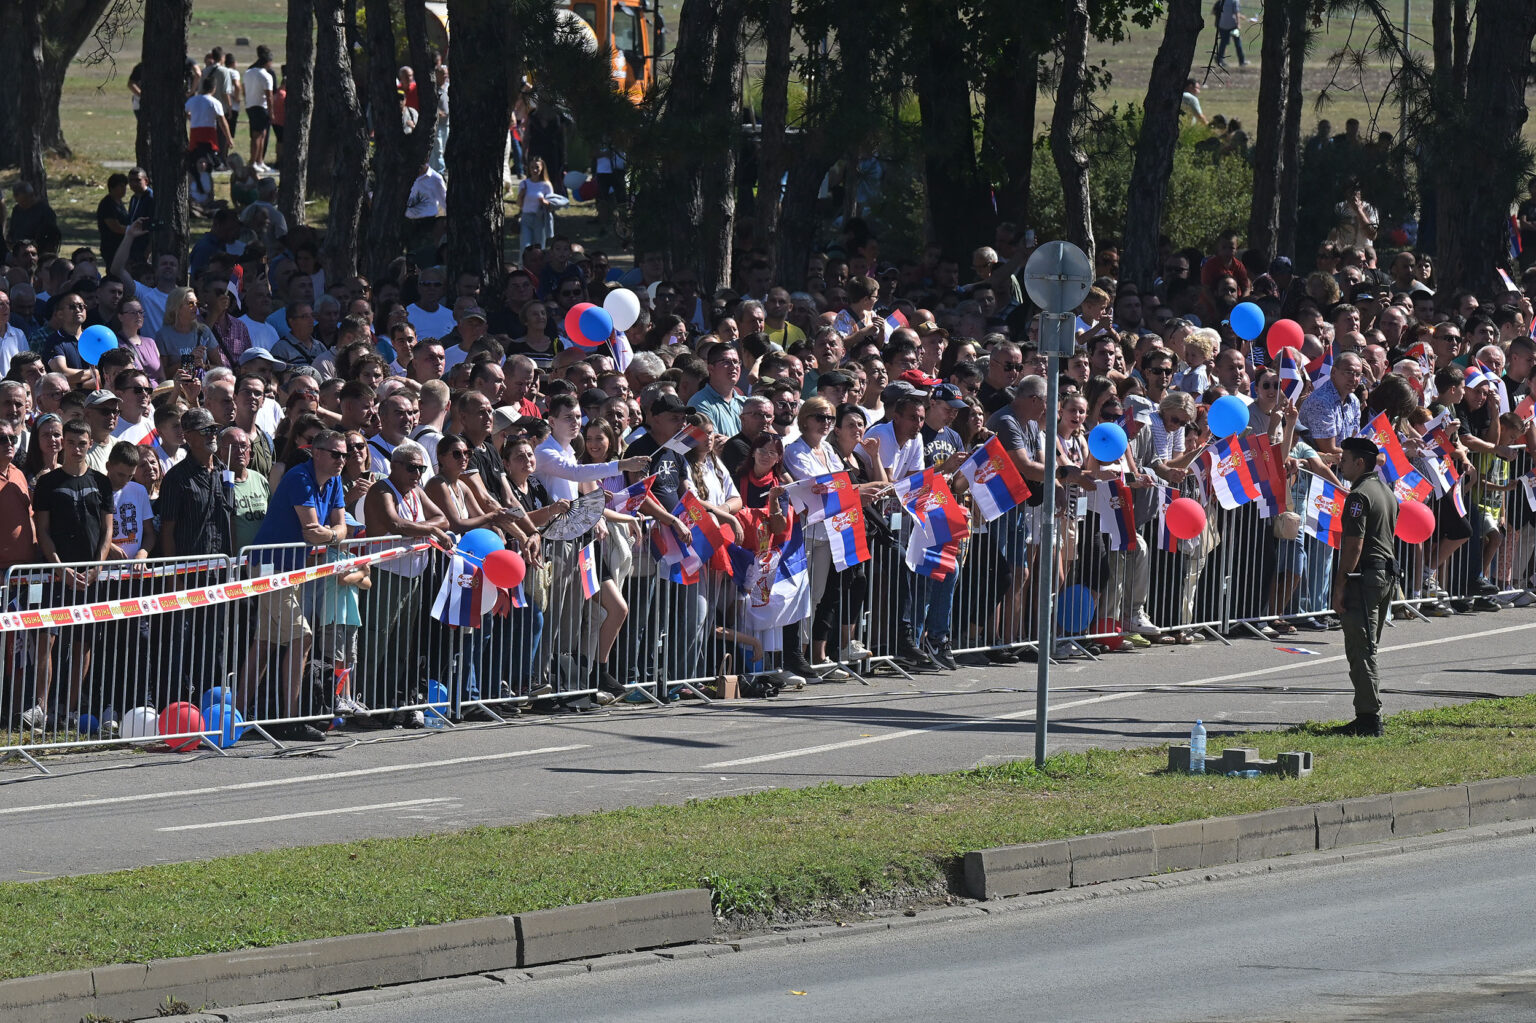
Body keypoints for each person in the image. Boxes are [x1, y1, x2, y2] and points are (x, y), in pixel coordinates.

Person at [1331, 435, 1399, 737]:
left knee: (1362, 648)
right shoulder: (1385, 491)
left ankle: (1369, 717)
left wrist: (1340, 584)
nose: (1340, 463)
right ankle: (1368, 713)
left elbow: (1354, 546)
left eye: (1344, 459)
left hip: (1365, 578)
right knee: (1368, 644)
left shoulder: (1358, 496)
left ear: (1360, 463)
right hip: (1384, 576)